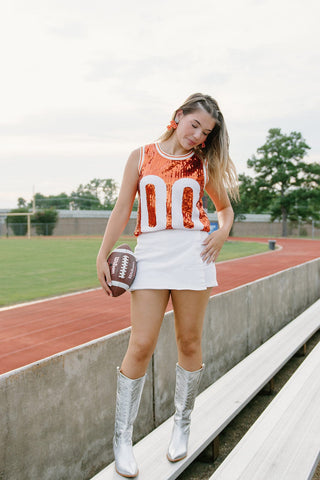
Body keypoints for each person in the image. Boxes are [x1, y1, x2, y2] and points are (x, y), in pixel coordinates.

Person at [96, 93, 238, 478]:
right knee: (140, 345)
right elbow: (123, 206)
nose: (198, 136)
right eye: (195, 125)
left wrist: (222, 233)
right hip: (152, 256)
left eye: (206, 133)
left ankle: (183, 425)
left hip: (194, 257)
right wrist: (102, 253)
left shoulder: (204, 164)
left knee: (189, 342)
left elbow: (225, 211)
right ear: (178, 116)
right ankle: (122, 440)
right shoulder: (140, 156)